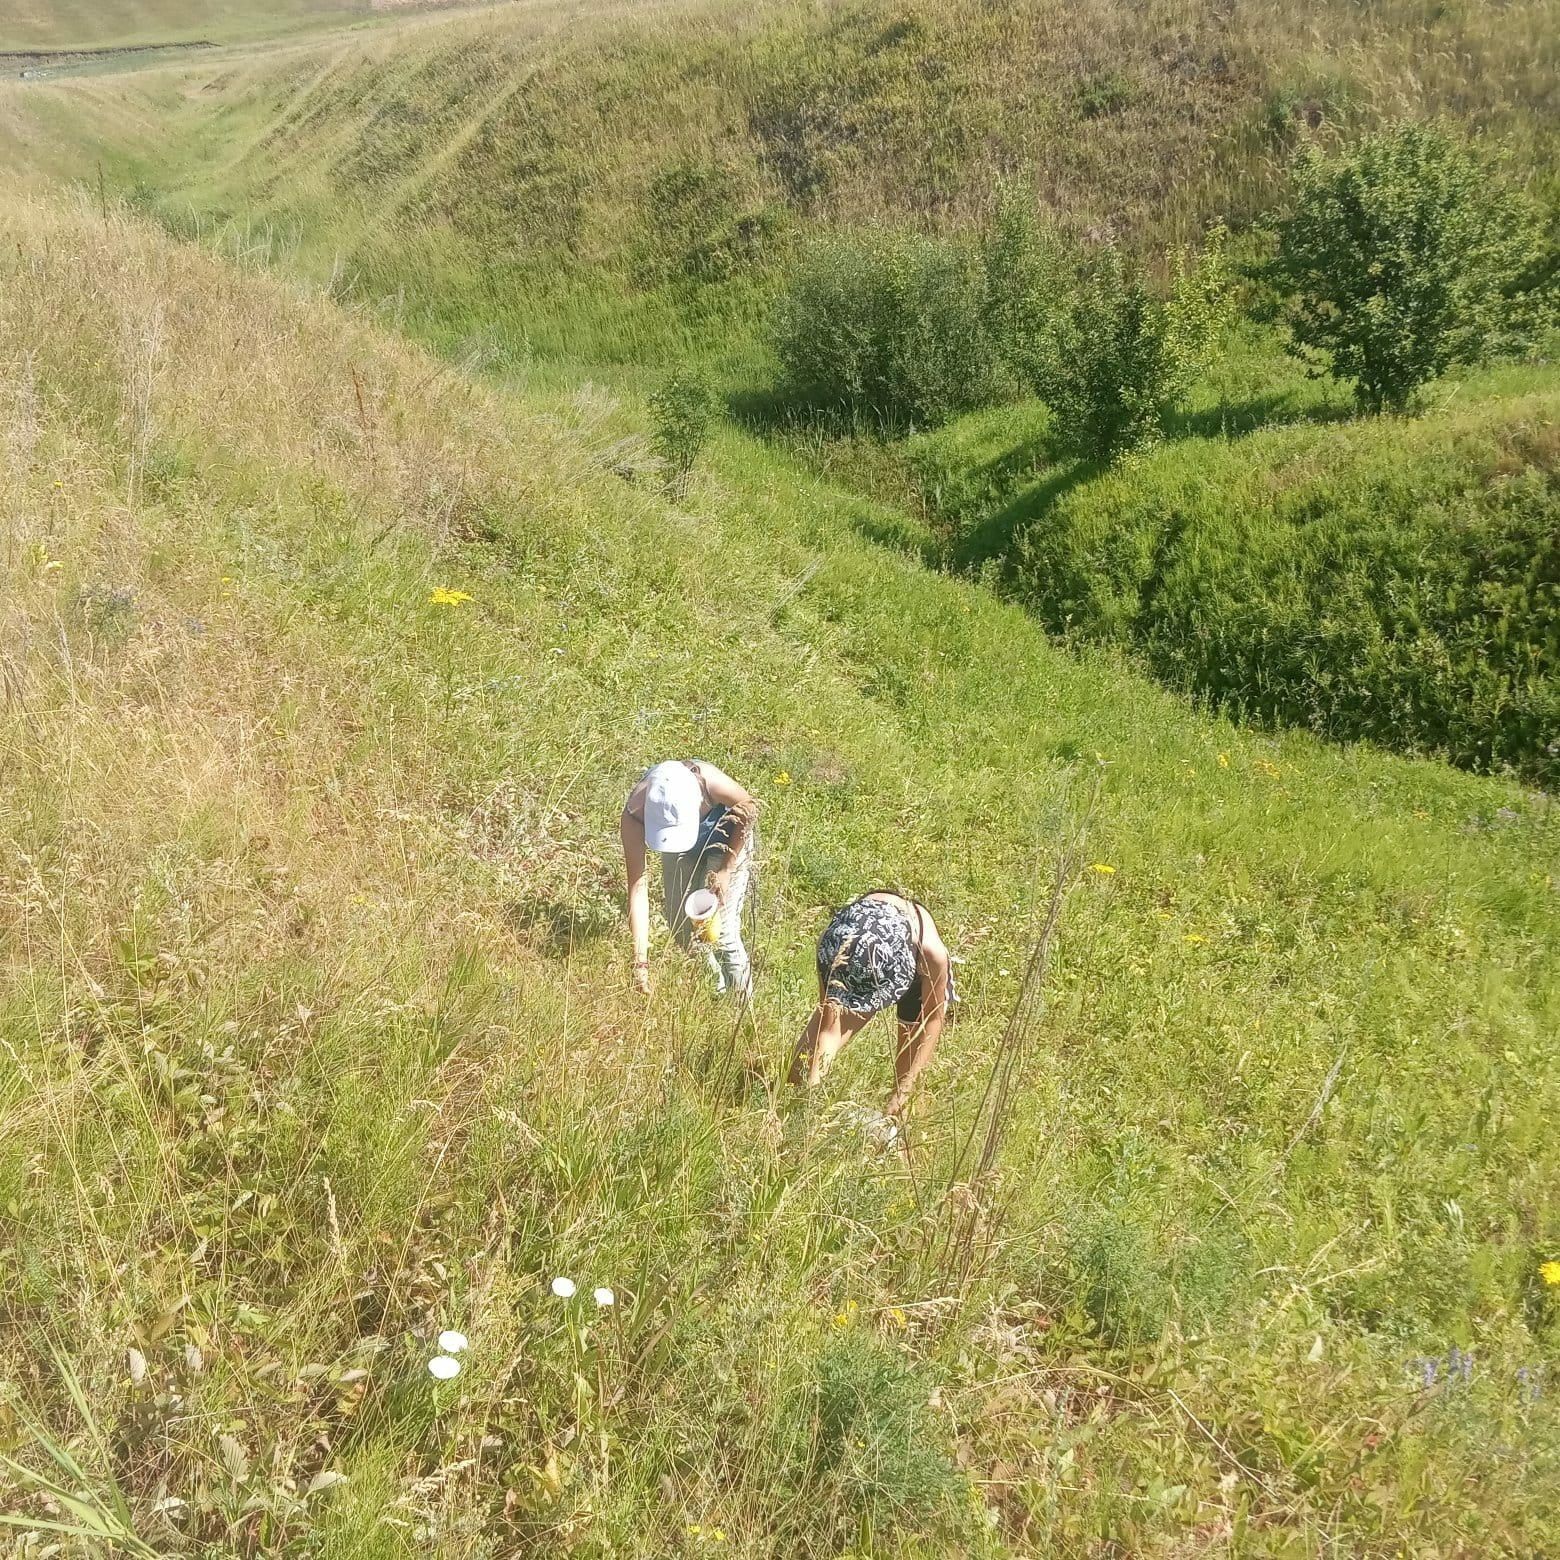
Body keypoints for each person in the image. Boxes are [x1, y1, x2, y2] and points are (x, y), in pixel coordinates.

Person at [791, 892, 953, 1119]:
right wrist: (809, 1092)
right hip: (851, 950)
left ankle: (898, 1118)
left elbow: (931, 1020)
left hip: (911, 960)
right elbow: (827, 1027)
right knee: (822, 1033)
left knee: (911, 1042)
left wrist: (904, 1090)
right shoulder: (834, 943)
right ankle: (794, 1103)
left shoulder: (931, 955)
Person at [621, 759, 757, 999]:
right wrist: (640, 962)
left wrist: (727, 868)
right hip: (682, 852)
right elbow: (637, 887)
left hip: (728, 841)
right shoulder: (634, 815)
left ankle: (742, 1009)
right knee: (681, 927)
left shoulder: (710, 782)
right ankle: (715, 993)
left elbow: (748, 808)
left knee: (723, 933)